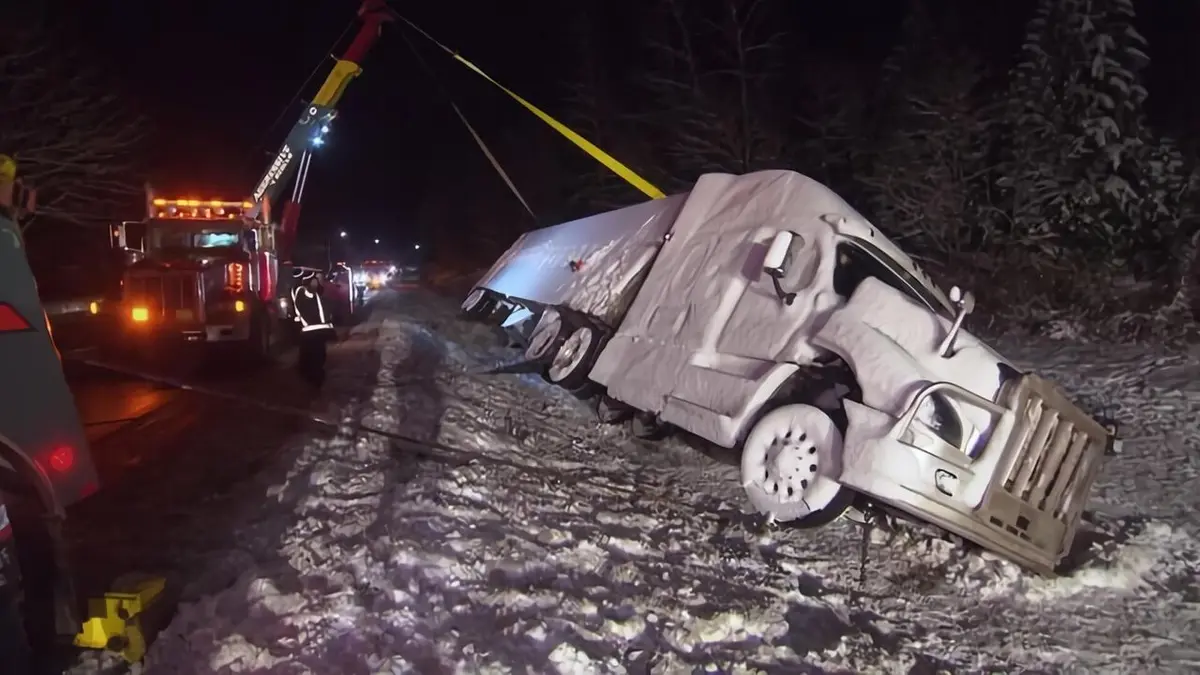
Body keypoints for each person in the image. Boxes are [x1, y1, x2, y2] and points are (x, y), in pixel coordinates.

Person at [293, 269, 335, 389]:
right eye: (314, 280)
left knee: (318, 356)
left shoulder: (317, 295)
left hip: (318, 332)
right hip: (310, 333)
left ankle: (315, 379)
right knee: (311, 357)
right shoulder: (302, 292)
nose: (316, 283)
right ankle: (312, 379)